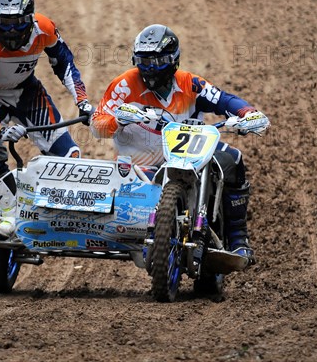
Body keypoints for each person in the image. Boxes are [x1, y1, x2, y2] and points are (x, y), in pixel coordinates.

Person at [90, 24, 270, 265]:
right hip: (142, 162)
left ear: (174, 60)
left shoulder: (190, 83)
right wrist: (117, 120)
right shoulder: (124, 85)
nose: (151, 69)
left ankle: (239, 239)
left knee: (233, 158)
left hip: (190, 154)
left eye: (158, 61)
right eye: (144, 61)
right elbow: (96, 126)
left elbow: (224, 99)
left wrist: (248, 113)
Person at [0, 0, 94, 240]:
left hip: (26, 92)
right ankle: (9, 213)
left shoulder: (45, 28)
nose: (11, 30)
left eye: (18, 22)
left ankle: (56, 208)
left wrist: (83, 101)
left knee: (68, 155)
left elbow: (64, 64)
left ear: (30, 19)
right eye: (4, 23)